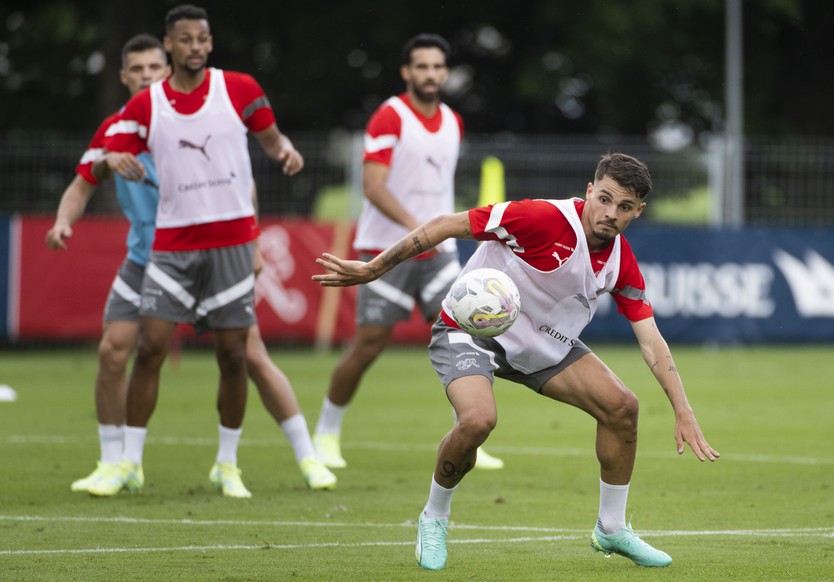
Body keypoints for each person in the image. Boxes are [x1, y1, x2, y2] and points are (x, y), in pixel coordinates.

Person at [313, 152, 720, 571]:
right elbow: (446, 224)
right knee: (477, 421)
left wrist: (682, 409)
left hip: (543, 347)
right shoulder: (541, 218)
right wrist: (374, 268)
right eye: (605, 199)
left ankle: (612, 529)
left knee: (622, 408)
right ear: (589, 191)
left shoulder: (621, 262)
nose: (610, 213)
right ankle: (434, 518)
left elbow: (652, 342)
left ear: (639, 211)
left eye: (624, 207)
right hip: (470, 332)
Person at [46, 32, 336, 497]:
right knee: (113, 350)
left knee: (250, 357)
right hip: (149, 259)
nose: (146, 77)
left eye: (153, 68)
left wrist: (254, 242)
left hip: (220, 251)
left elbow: (240, 182)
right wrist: (63, 222)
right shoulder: (117, 129)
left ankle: (308, 456)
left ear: (169, 68)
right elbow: (83, 183)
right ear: (122, 77)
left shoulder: (194, 113)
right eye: (136, 70)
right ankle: (114, 463)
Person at [311, 33, 504, 471]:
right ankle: (325, 432)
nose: (431, 74)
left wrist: (437, 234)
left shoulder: (453, 121)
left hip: (440, 254)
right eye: (422, 66)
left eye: (438, 66)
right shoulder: (390, 116)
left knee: (466, 337)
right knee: (369, 345)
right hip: (384, 253)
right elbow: (372, 187)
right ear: (407, 72)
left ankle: (468, 433)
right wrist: (416, 229)